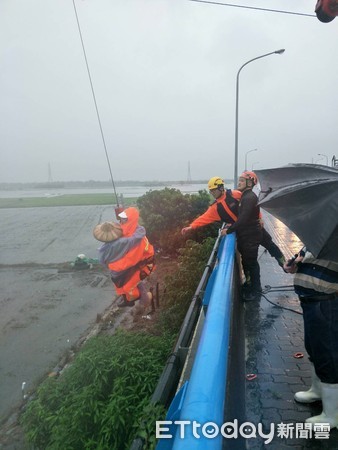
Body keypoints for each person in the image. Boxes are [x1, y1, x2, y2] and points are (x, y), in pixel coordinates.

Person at [181, 175, 285, 300]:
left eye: (214, 190)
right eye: (211, 191)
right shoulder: (215, 208)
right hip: (243, 232)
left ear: (221, 187)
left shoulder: (235, 195)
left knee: (269, 245)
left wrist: (260, 217)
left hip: (252, 227)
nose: (213, 193)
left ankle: (283, 263)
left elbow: (252, 206)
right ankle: (253, 285)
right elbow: (203, 218)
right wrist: (191, 227)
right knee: (248, 260)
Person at [283, 248, 338, 428]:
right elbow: (304, 259)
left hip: (327, 302)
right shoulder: (322, 235)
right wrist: (293, 265)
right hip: (310, 301)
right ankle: (318, 391)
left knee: (327, 354)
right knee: (313, 348)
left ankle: (332, 414)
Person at [93, 207, 155, 308]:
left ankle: (143, 300)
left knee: (128, 284)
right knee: (126, 281)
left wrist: (114, 265)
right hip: (136, 264)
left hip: (143, 264)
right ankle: (129, 299)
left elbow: (132, 259)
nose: (121, 221)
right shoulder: (131, 230)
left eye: (124, 219)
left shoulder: (135, 239)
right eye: (121, 219)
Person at [222, 171, 262, 301]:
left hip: (250, 236)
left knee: (251, 264)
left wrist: (228, 230)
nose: (238, 183)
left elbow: (243, 218)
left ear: (249, 183)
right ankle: (250, 286)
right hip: (247, 236)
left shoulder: (249, 198)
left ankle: (256, 290)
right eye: (239, 180)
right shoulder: (245, 196)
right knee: (247, 262)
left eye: (242, 180)